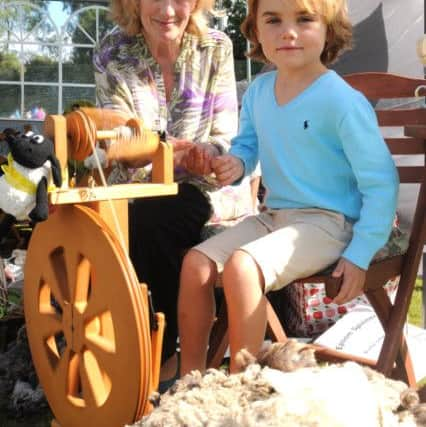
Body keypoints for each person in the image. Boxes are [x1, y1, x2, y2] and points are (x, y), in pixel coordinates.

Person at [178, 0, 399, 375]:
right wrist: (236, 164)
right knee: (196, 264)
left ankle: (241, 392)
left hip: (330, 223)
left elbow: (381, 183)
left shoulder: (341, 100)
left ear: (329, 28)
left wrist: (360, 253)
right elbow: (247, 147)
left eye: (304, 19)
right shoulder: (259, 92)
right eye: (273, 20)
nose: (288, 31)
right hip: (276, 217)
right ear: (256, 30)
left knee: (242, 267)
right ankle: (192, 382)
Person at [93, 0, 257, 386]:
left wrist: (206, 155)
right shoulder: (111, 52)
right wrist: (169, 154)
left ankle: (161, 355)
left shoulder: (216, 46)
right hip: (138, 187)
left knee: (154, 219)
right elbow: (116, 145)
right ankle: (123, 347)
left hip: (207, 188)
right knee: (124, 218)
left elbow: (224, 134)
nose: (169, 10)